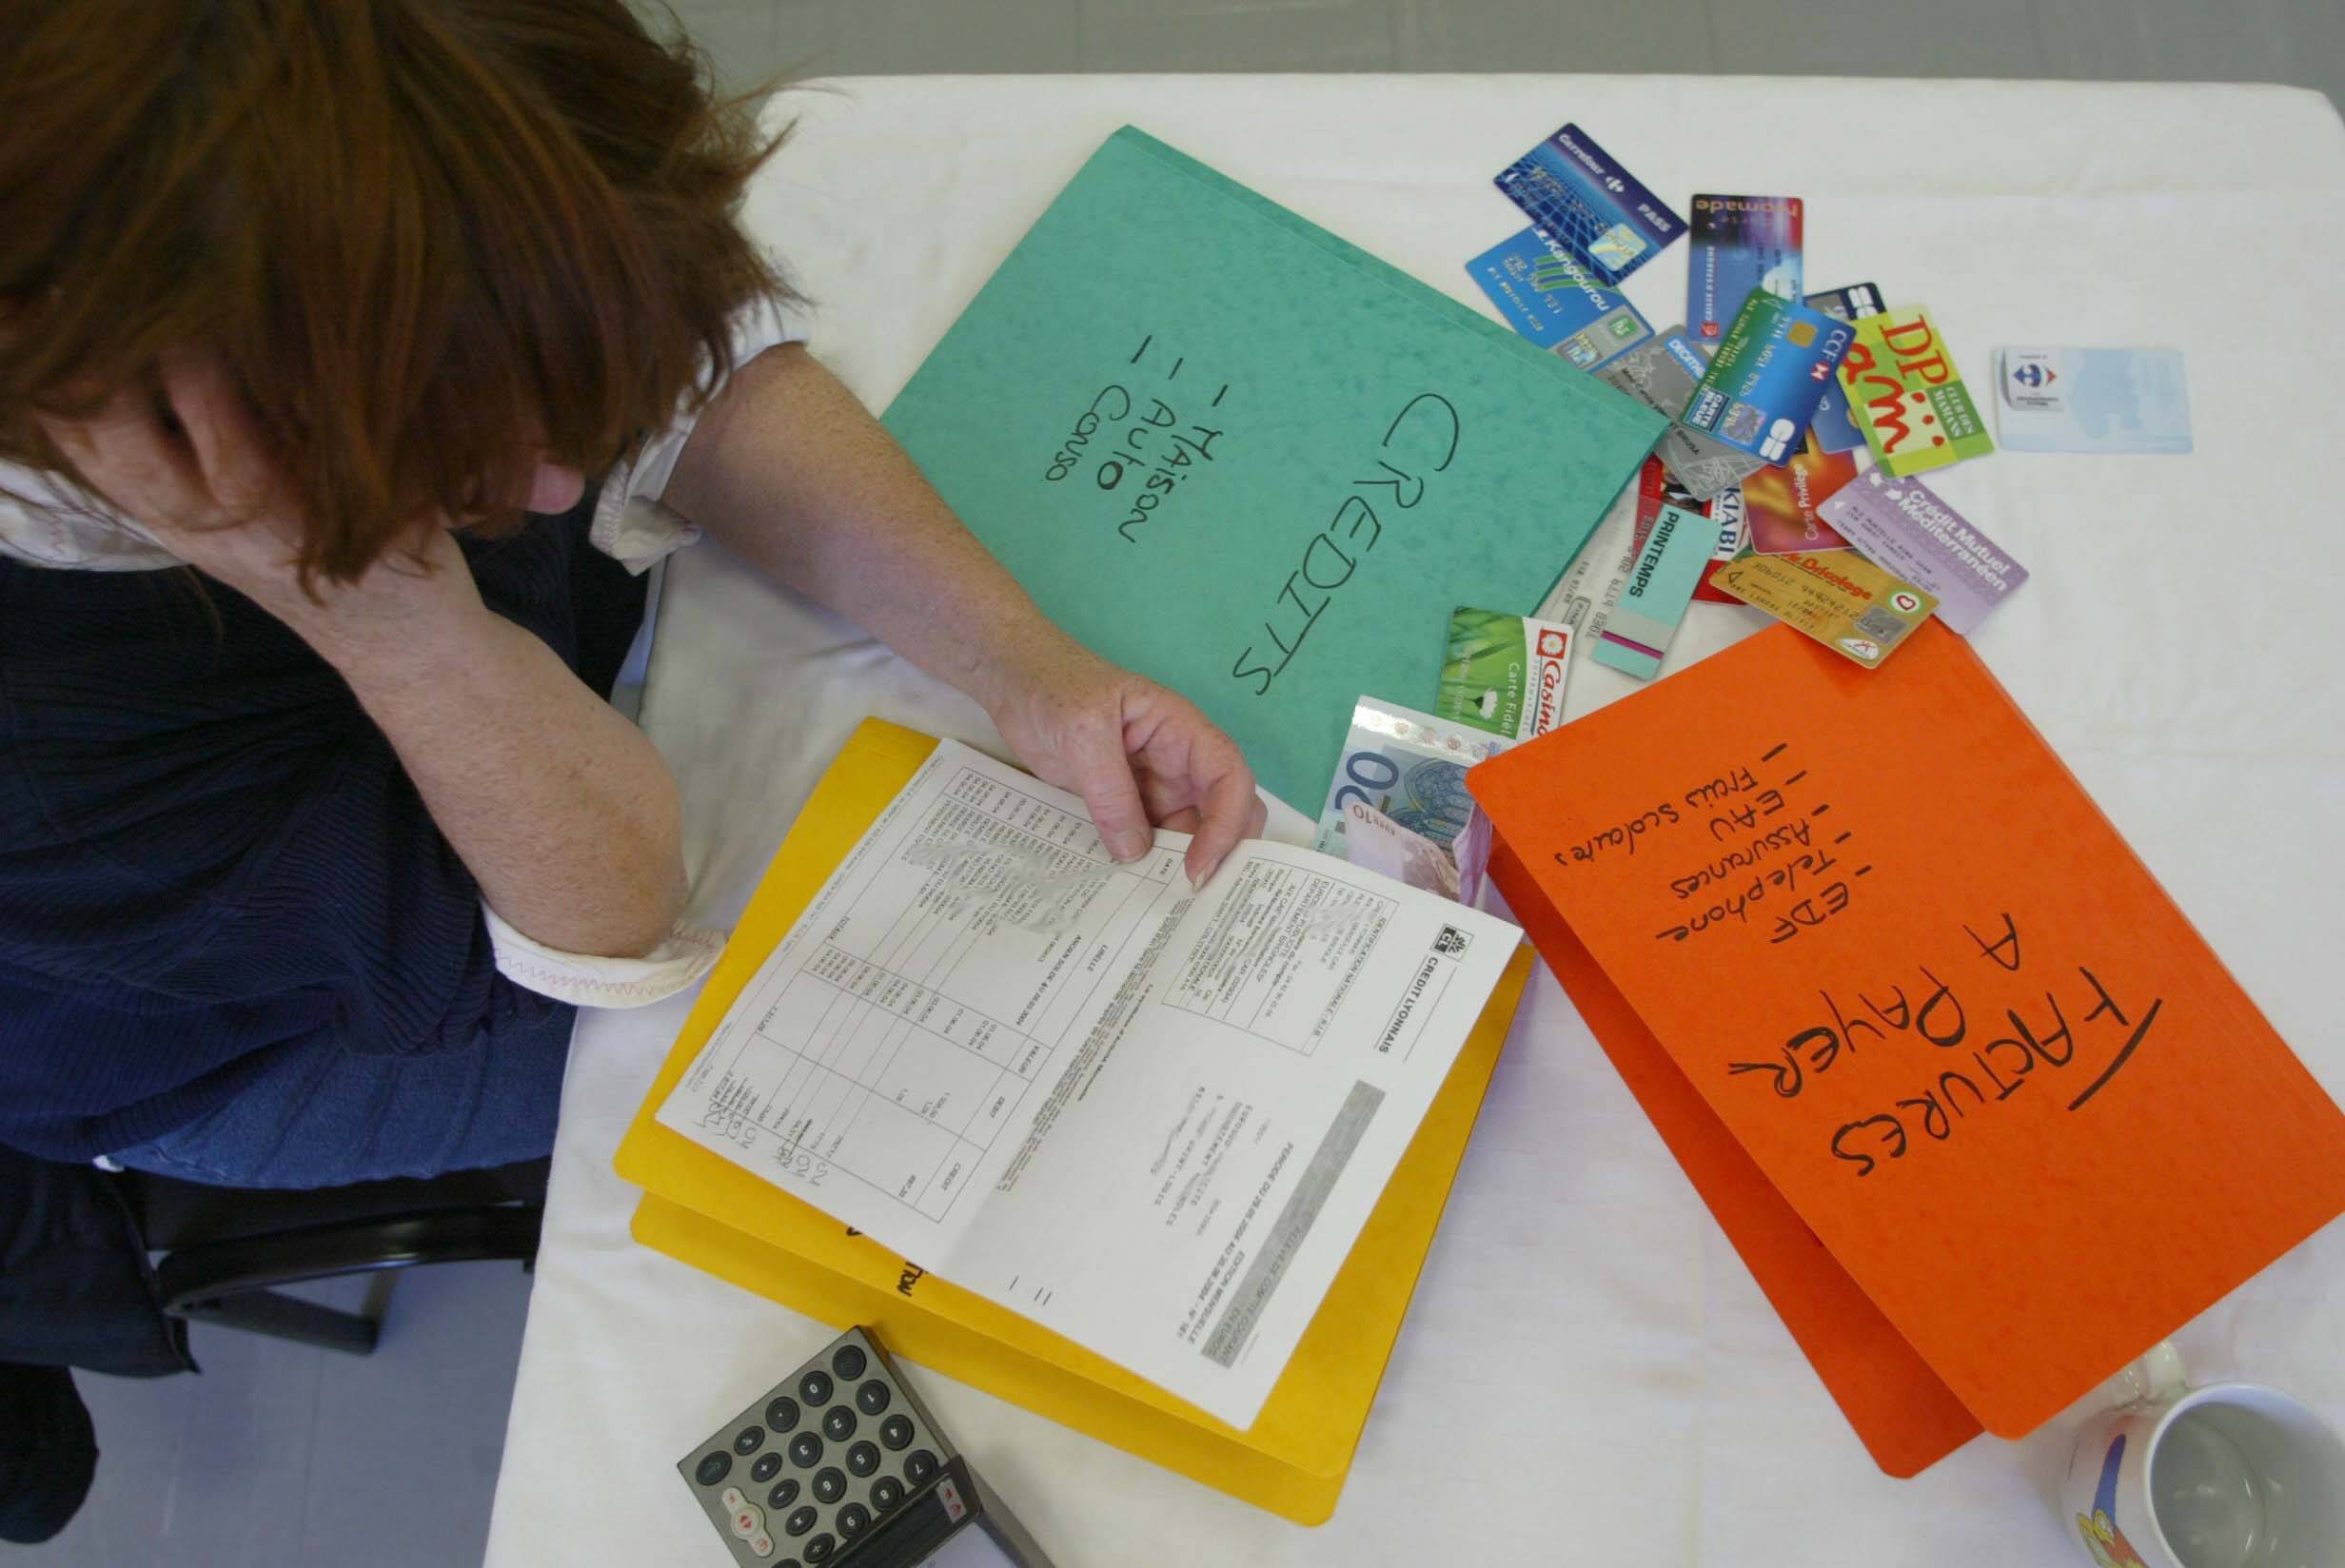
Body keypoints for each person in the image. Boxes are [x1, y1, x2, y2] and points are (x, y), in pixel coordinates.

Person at [0, 0, 1266, 1188]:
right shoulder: (50, 753)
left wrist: (1023, 664)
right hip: (238, 1038)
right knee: (853, 1076)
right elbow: (603, 929)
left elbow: (692, 385)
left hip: (443, 687)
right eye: (448, 457)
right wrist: (394, 622)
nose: (559, 487)